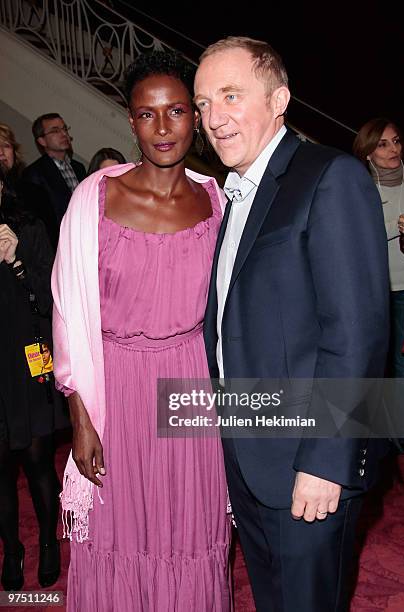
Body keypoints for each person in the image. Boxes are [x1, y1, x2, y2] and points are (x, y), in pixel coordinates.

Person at [194, 36, 390, 612]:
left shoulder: (330, 176)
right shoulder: (237, 195)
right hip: (248, 454)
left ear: (279, 98)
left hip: (308, 460)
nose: (213, 117)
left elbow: (356, 334)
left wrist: (325, 462)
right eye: (204, 102)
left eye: (231, 95)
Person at [52, 50, 230, 611]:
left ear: (194, 119)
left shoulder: (217, 200)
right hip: (117, 388)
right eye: (147, 114)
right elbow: (69, 317)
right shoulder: (94, 199)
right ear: (130, 121)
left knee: (190, 527)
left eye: (175, 111)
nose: (162, 128)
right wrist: (81, 421)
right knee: (118, 531)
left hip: (192, 387)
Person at [0, 168, 69, 591]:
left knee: (40, 463)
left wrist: (17, 262)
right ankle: (12, 549)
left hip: (30, 363)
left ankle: (47, 542)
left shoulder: (28, 228)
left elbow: (50, 299)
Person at [353, 118, 404, 377]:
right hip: (381, 293)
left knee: (403, 361)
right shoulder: (361, 191)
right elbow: (355, 240)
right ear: (368, 153)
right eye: (383, 145)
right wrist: (395, 227)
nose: (393, 150)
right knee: (387, 361)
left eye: (396, 141)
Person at [23, 114, 86, 249]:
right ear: (42, 141)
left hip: (85, 239)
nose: (64, 134)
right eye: (55, 130)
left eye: (65, 129)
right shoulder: (34, 174)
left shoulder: (79, 168)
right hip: (57, 246)